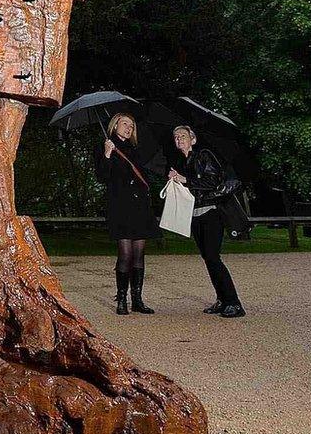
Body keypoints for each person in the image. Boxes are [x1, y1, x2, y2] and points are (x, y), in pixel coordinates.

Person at [170, 125, 246, 317]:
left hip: (211, 213)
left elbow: (213, 182)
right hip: (195, 216)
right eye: (176, 137)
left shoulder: (203, 155)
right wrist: (175, 180)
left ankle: (234, 303)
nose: (179, 139)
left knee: (213, 257)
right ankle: (222, 300)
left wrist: (184, 179)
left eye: (183, 136)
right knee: (208, 259)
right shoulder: (182, 162)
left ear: (192, 139)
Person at [103, 112, 164, 315]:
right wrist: (107, 154)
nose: (129, 128)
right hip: (120, 207)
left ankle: (137, 299)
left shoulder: (136, 150)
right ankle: (122, 299)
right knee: (125, 254)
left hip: (140, 207)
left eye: (131, 125)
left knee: (139, 255)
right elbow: (102, 176)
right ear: (115, 125)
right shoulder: (106, 145)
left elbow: (145, 175)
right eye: (125, 124)